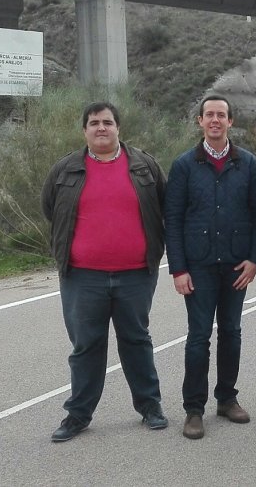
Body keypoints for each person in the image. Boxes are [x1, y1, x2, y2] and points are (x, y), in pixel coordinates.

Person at [41, 102, 169, 442]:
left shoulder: (145, 167)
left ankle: (150, 406)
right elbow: (50, 209)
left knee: (137, 340)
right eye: (94, 123)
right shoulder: (65, 170)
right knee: (86, 346)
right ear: (84, 130)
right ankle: (78, 415)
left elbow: (163, 205)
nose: (101, 128)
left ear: (118, 128)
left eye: (108, 122)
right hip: (82, 277)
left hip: (136, 274)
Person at [164, 94, 256, 440]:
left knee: (232, 333)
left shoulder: (248, 164)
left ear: (230, 121)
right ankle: (194, 409)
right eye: (210, 115)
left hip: (237, 265)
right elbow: (173, 220)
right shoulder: (184, 165)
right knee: (198, 337)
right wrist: (178, 269)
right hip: (199, 265)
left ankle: (227, 398)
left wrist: (255, 259)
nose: (216, 120)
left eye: (222, 115)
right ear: (200, 122)